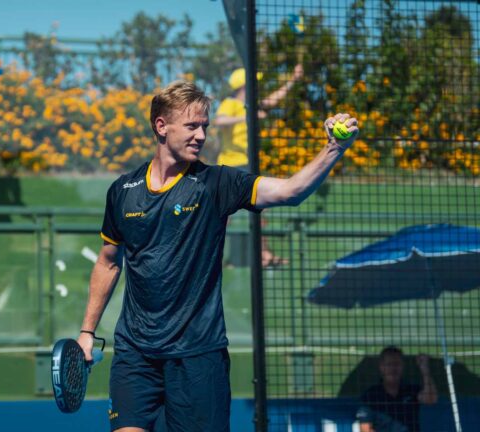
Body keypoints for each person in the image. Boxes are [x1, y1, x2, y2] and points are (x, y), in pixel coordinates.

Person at [76, 80, 358, 432]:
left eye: (205, 127)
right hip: (135, 355)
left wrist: (334, 148)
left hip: (198, 357)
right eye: (191, 126)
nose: (201, 136)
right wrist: (87, 331)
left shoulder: (217, 183)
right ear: (161, 126)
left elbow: (290, 192)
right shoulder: (122, 191)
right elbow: (108, 262)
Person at [213, 65, 303, 267]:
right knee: (225, 216)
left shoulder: (251, 105)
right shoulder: (230, 103)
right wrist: (248, 117)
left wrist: (293, 80)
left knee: (260, 210)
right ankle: (214, 257)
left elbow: (272, 99)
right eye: (253, 82)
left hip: (248, 166)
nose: (257, 86)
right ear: (244, 86)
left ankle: (265, 255)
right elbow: (219, 121)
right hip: (230, 167)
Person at [357, 346, 438, 432]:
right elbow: (365, 429)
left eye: (397, 364)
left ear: (402, 366)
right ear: (381, 367)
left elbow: (431, 400)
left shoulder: (411, 389)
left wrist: (425, 369)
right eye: (389, 364)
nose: (393, 369)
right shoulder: (370, 395)